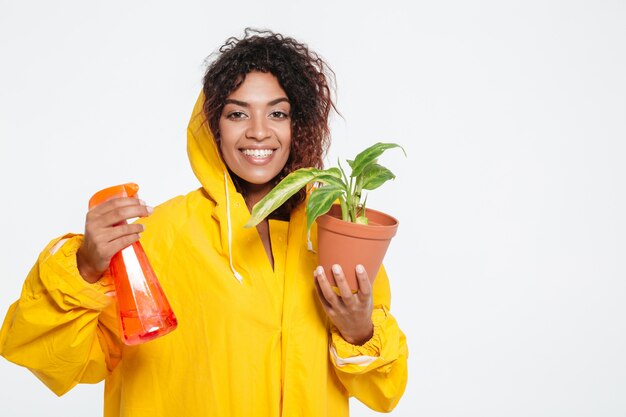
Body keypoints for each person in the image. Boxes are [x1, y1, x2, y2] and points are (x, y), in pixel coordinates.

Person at [0, 29, 408, 416]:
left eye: (277, 113)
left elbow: (384, 392)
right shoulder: (157, 237)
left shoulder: (335, 235)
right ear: (213, 126)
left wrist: (358, 332)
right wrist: (86, 268)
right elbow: (60, 362)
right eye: (237, 114)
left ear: (297, 125)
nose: (259, 132)